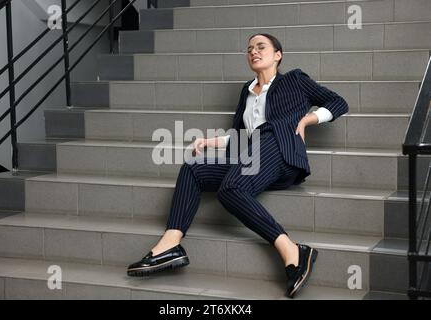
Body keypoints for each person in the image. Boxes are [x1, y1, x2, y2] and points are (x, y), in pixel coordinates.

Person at [127, 33, 349, 298]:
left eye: (261, 47)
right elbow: (241, 136)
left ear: (277, 55)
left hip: (281, 152)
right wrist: (212, 142)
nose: (254, 51)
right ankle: (171, 245)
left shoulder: (294, 80)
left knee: (231, 187)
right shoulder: (247, 90)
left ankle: (292, 250)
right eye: (249, 49)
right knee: (193, 167)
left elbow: (339, 102)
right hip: (254, 155)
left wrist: (306, 120)